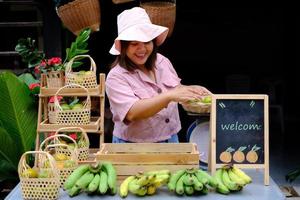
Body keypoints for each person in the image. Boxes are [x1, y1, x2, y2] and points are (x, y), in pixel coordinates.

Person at [106, 7, 211, 143]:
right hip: (134, 145)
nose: (142, 49)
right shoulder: (116, 76)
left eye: (147, 42)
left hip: (171, 138)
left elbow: (175, 89)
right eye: (134, 44)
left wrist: (192, 90)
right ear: (124, 47)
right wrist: (168, 97)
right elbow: (132, 112)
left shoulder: (161, 61)